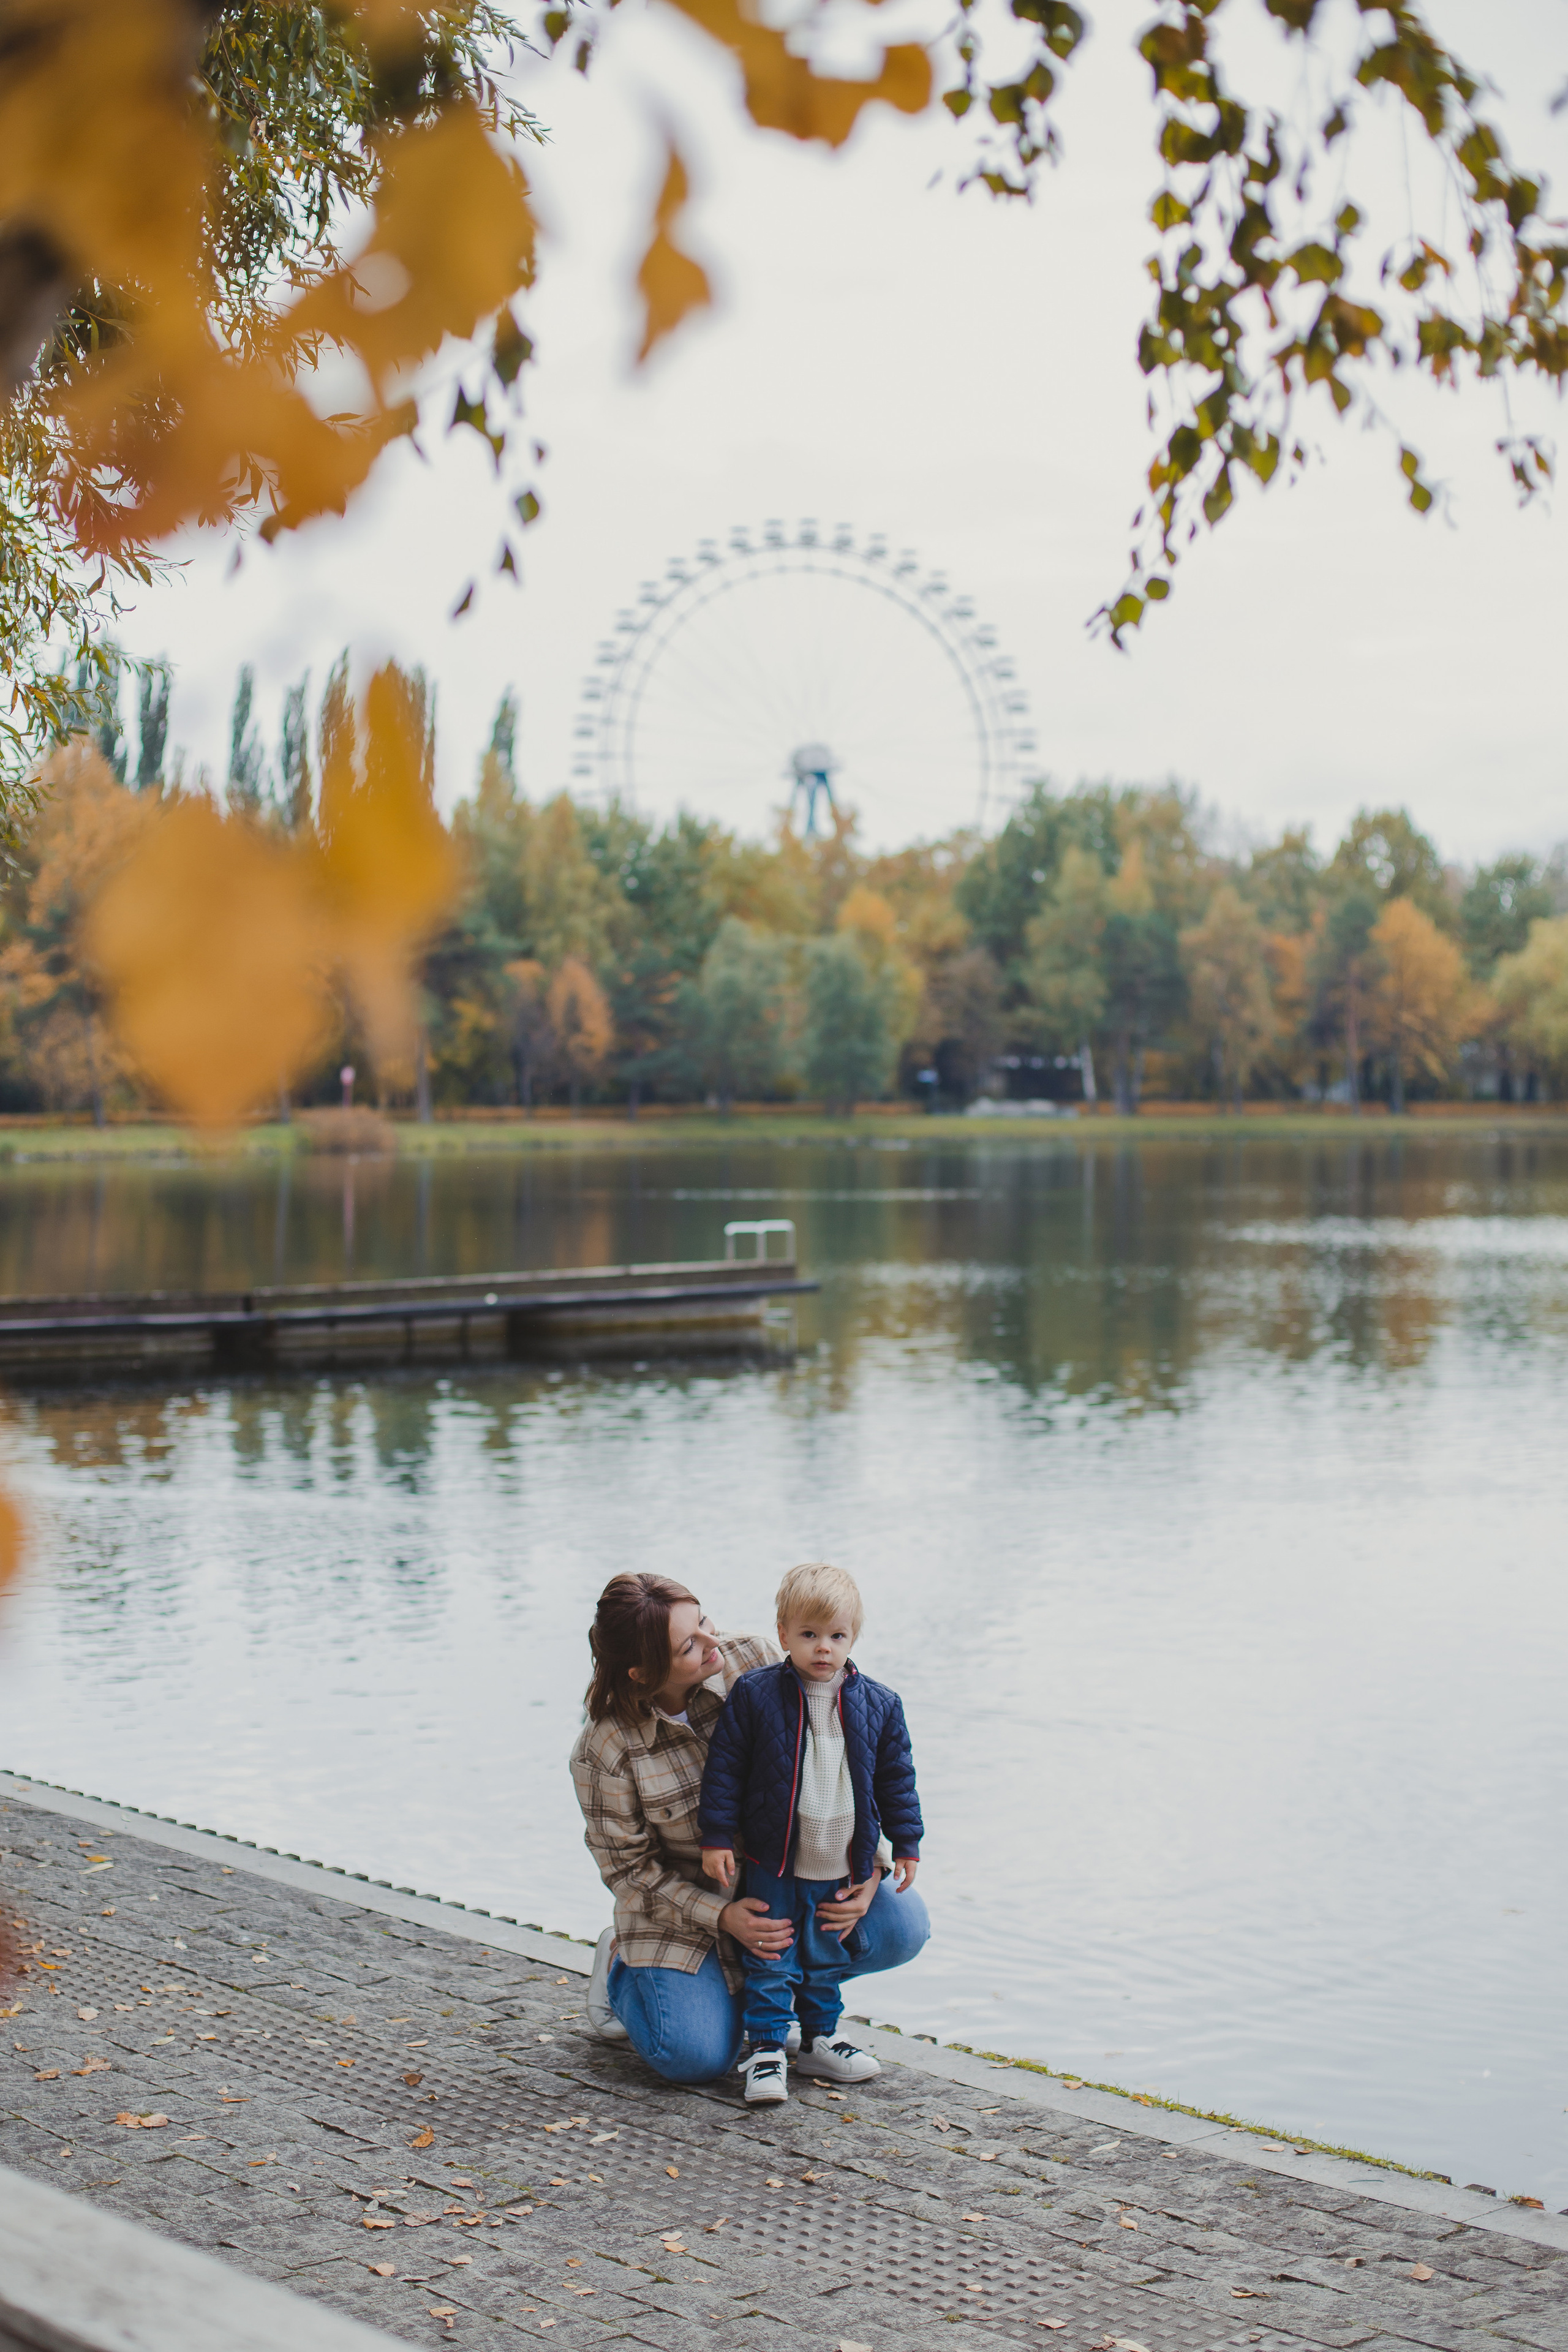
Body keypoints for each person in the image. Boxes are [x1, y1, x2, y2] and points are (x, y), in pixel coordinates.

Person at [569, 1570, 930, 2086]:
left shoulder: (754, 1660)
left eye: (705, 1621)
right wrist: (725, 1916)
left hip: (789, 1874)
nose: (714, 1641)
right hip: (687, 1916)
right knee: (691, 2057)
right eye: (690, 1644)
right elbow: (630, 1873)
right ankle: (622, 1971)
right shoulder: (603, 1750)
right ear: (643, 1671)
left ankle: (781, 2009)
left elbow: (845, 1763)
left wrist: (869, 1869)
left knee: (900, 1924)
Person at [698, 1560, 922, 2105]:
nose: (824, 1648)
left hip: (840, 1859)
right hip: (775, 1859)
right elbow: (725, 1769)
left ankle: (820, 2038)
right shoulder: (756, 1695)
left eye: (837, 1636)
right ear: (783, 1636)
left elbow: (897, 1779)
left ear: (854, 1637)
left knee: (826, 1952)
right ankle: (767, 2047)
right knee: (772, 1955)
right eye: (809, 1635)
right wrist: (718, 1836)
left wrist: (907, 1843)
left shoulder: (880, 1704)